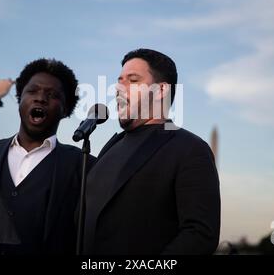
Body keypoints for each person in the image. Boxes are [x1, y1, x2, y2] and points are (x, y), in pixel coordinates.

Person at [83, 48, 220, 255]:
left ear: (161, 90)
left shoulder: (190, 148)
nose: (119, 88)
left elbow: (199, 235)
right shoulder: (110, 147)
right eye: (119, 81)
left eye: (133, 80)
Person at [0, 58, 95, 254]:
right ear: (20, 99)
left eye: (52, 95)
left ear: (66, 109)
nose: (40, 98)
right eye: (32, 91)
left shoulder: (84, 165)